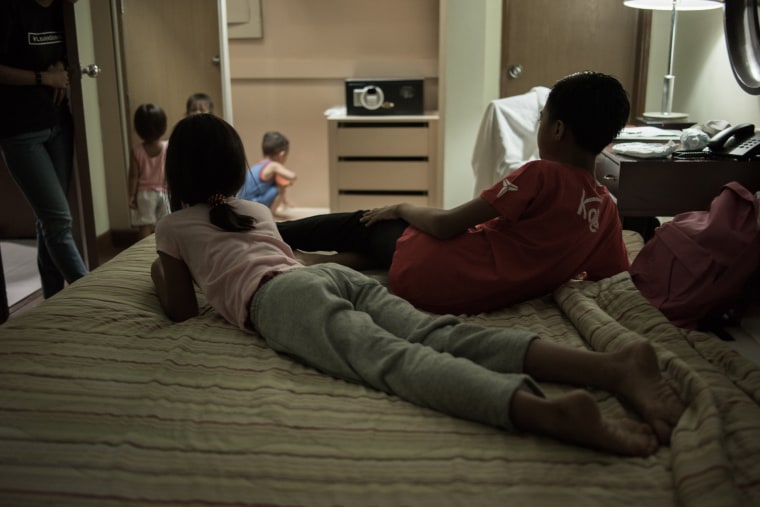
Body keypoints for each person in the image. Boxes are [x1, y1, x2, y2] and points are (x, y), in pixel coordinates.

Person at [151, 113, 685, 457]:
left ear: (177, 176)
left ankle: (541, 411)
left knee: (393, 362)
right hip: (322, 277)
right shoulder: (251, 211)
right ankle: (606, 366)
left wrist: (158, 270)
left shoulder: (172, 227)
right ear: (231, 168)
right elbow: (296, 258)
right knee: (444, 335)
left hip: (283, 299)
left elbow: (178, 309)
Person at [277, 71, 631, 315]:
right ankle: (313, 262)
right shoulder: (606, 210)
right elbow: (613, 276)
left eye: (541, 118)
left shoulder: (543, 174)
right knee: (380, 245)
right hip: (474, 293)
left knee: (364, 222)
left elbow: (446, 225)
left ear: (556, 129)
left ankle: (267, 232)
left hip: (436, 271)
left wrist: (401, 206)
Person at [0, 0, 87, 299]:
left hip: (59, 126)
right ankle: (94, 293)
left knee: (48, 220)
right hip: (21, 131)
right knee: (59, 221)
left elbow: (67, 52)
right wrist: (43, 78)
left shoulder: (62, 9)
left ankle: (52, 296)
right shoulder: (10, 8)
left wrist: (61, 66)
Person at [127, 103, 170, 239]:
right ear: (163, 126)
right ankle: (165, 248)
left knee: (145, 225)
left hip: (144, 194)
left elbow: (133, 176)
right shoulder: (167, 147)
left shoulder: (136, 150)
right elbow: (170, 171)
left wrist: (131, 195)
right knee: (165, 223)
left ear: (138, 128)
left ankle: (144, 253)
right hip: (164, 192)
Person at [238, 130, 297, 215]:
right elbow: (292, 176)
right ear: (282, 154)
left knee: (279, 182)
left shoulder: (257, 166)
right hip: (253, 206)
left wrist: (286, 202)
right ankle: (271, 215)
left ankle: (275, 210)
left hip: (243, 204)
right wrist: (291, 178)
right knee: (281, 186)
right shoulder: (273, 165)